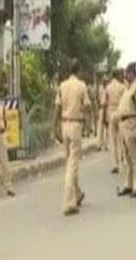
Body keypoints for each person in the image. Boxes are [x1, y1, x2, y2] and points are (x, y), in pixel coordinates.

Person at [54, 59, 92, 216]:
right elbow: (88, 106)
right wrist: (85, 116)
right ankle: (70, 202)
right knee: (73, 164)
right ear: (79, 70)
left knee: (68, 160)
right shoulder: (81, 86)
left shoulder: (62, 86)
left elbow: (57, 108)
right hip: (76, 124)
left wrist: (54, 127)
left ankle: (77, 193)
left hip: (64, 125)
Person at [116, 62, 136, 198]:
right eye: (125, 73)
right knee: (126, 157)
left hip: (132, 122)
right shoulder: (126, 89)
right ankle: (129, 183)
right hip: (123, 124)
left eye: (128, 73)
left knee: (135, 156)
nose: (125, 75)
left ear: (133, 74)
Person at [104, 69, 126, 174]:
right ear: (117, 75)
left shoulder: (107, 87)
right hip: (120, 111)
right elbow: (125, 101)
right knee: (121, 139)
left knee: (112, 140)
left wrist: (104, 117)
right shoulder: (122, 87)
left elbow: (105, 103)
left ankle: (114, 164)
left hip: (110, 112)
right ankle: (123, 161)